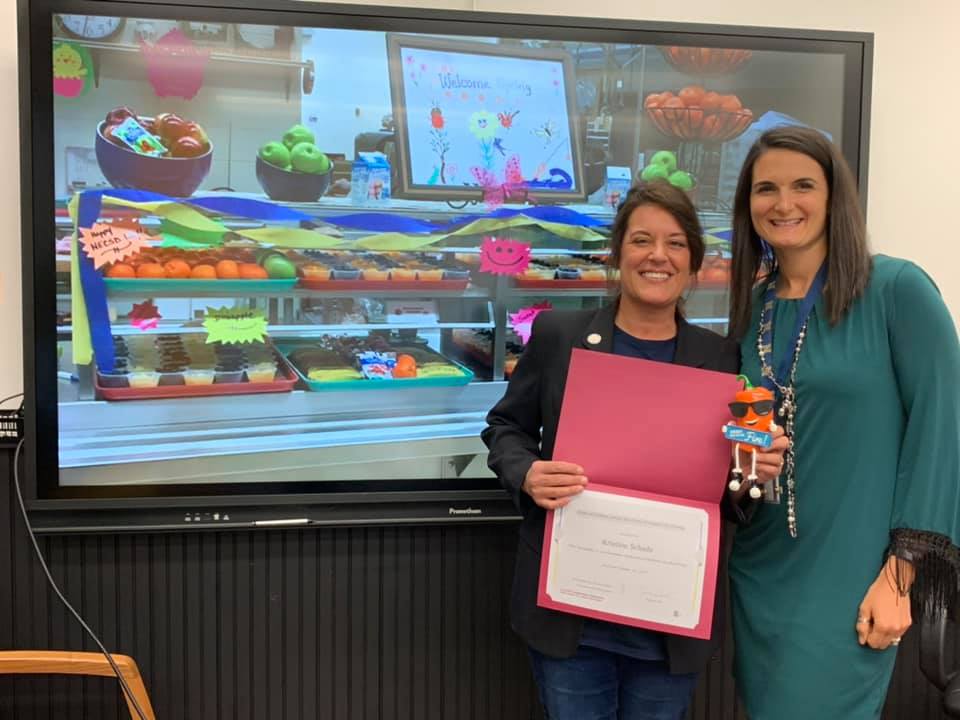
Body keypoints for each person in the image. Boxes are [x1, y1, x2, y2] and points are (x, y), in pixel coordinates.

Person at [482, 180, 787, 720]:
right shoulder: (560, 336)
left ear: (693, 262)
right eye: (641, 240)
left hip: (669, 625)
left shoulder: (722, 358)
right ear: (617, 253)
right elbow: (506, 427)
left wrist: (753, 469)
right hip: (571, 616)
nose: (657, 256)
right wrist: (527, 472)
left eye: (675, 243)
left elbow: (732, 492)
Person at [726, 125, 960, 719]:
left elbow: (943, 426)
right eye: (765, 189)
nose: (783, 203)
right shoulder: (754, 304)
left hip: (854, 568)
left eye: (803, 185)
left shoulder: (897, 290)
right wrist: (745, 451)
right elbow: (750, 419)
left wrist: (902, 575)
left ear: (836, 197)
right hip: (762, 562)